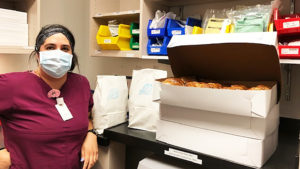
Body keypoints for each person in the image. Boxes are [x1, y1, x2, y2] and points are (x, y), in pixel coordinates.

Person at [0, 24, 98, 169]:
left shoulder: (81, 83)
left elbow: (86, 116)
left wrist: (91, 134)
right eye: (50, 47)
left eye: (65, 48)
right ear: (38, 54)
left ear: (71, 55)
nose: (58, 53)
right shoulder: (11, 85)